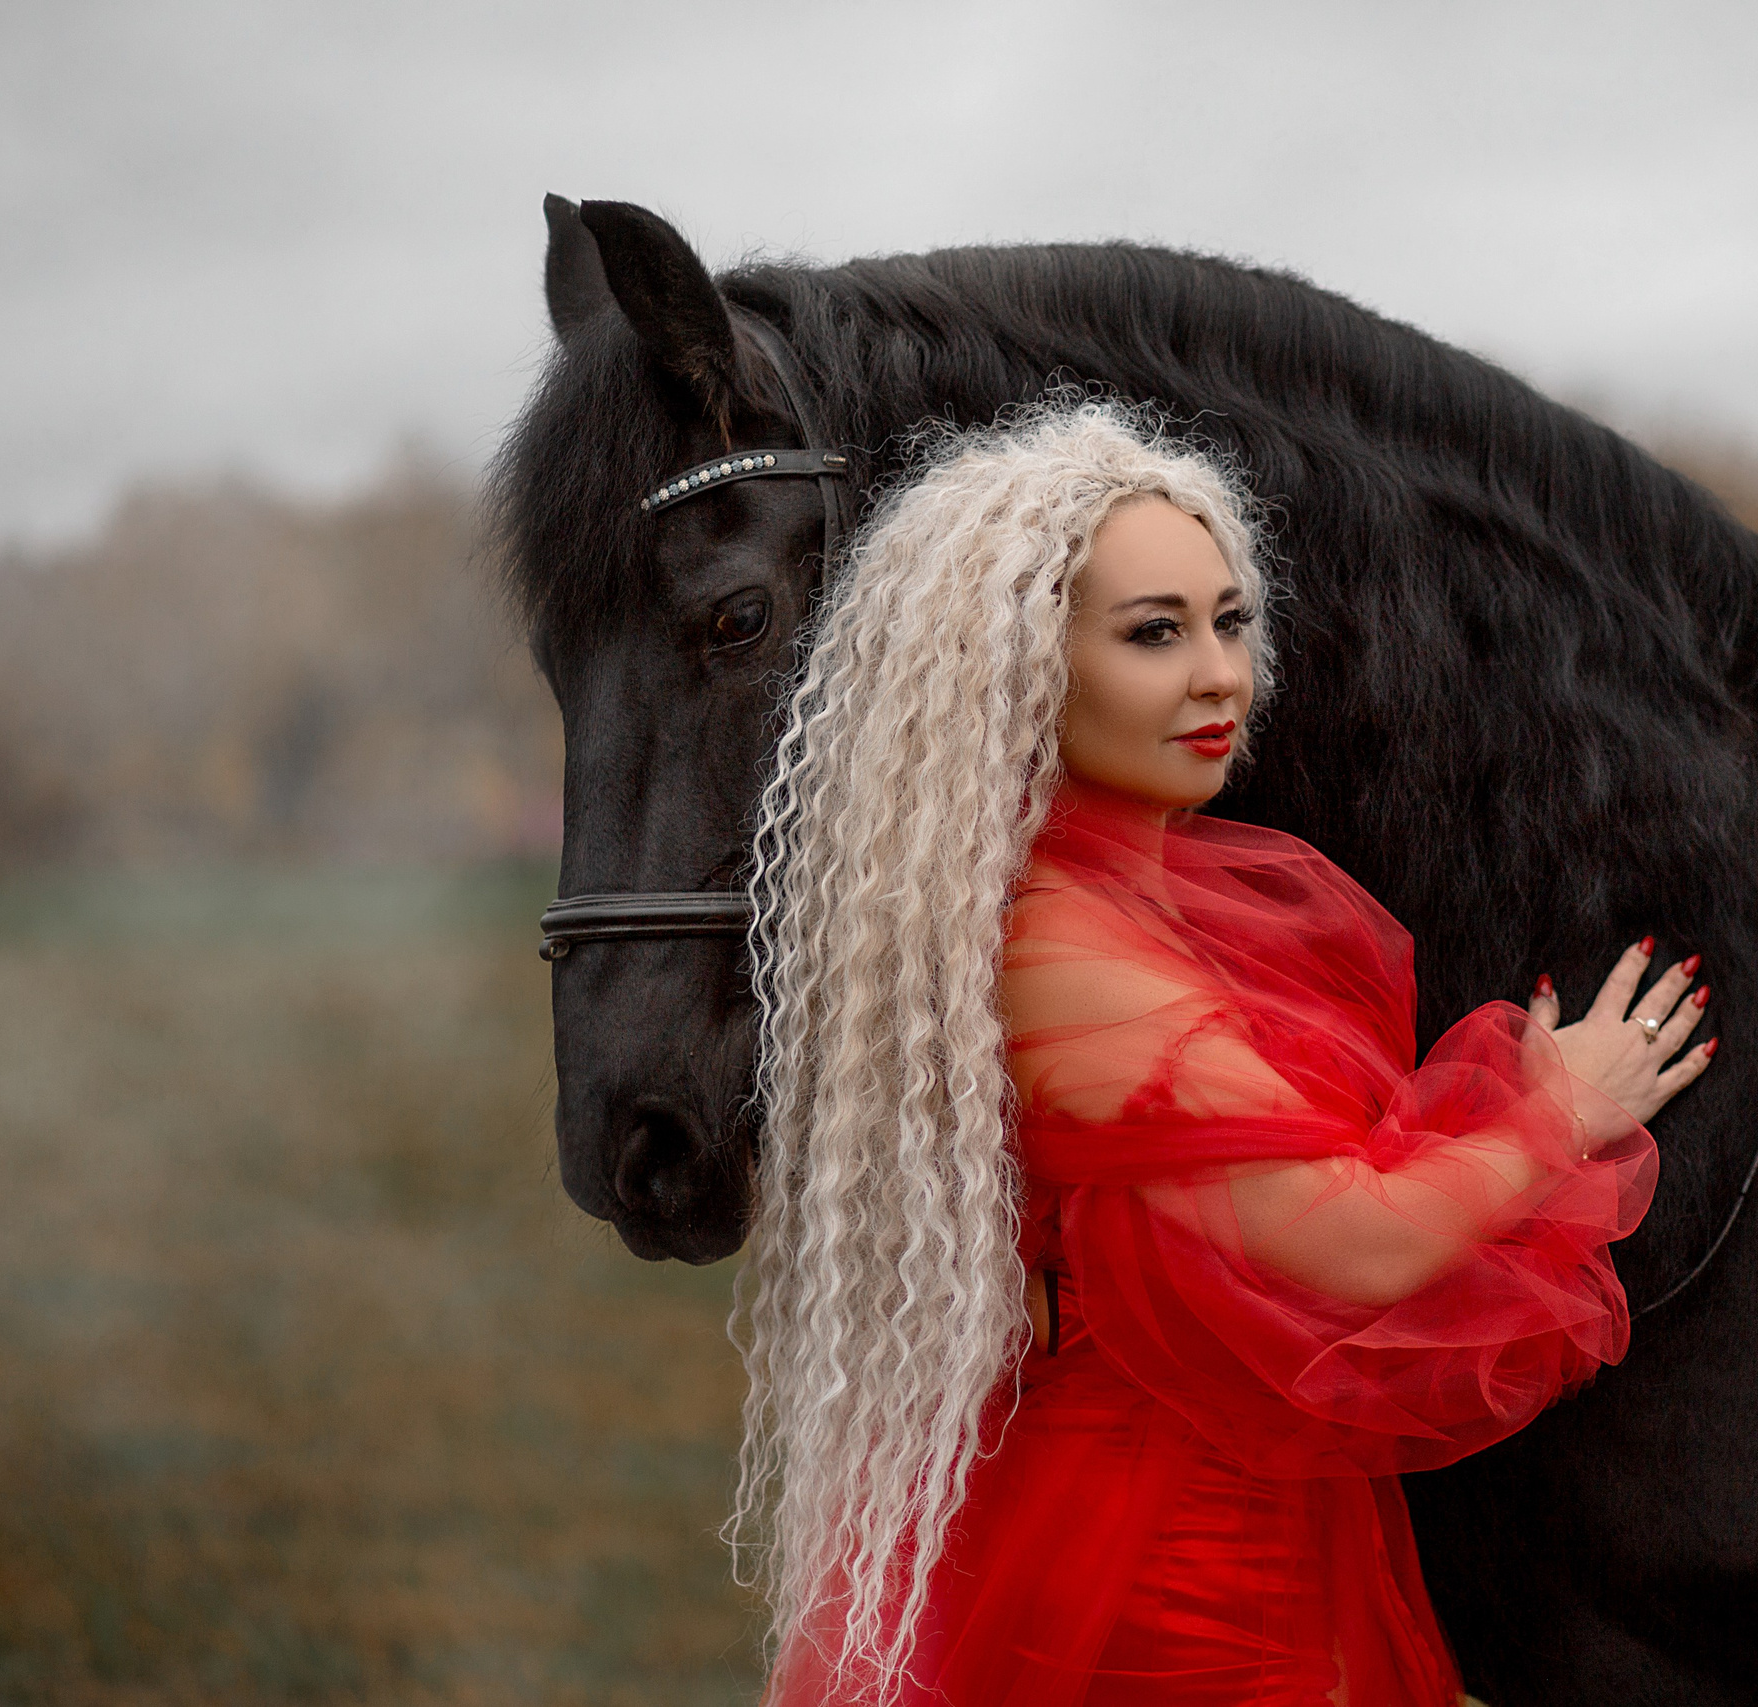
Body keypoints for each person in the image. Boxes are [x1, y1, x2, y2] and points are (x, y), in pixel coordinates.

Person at [732, 402, 1708, 1707]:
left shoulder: (1138, 892)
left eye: (1230, 621)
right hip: (1171, 1559)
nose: (1219, 676)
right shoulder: (1059, 944)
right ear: (1023, 665)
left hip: (1215, 1505)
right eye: (1154, 633)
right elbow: (1346, 1240)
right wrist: (1557, 1117)